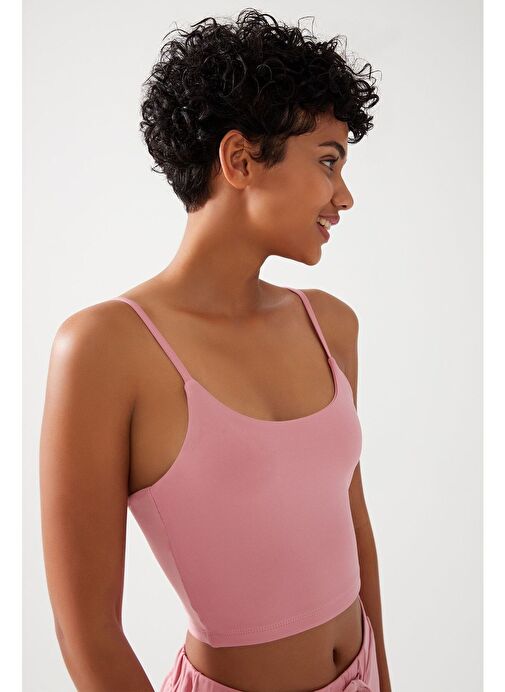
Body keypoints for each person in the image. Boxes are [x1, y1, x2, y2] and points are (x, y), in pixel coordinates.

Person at [40, 9, 391, 692]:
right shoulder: (105, 349)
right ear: (239, 160)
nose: (343, 196)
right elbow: (86, 630)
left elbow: (353, 529)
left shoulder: (330, 325)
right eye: (327, 161)